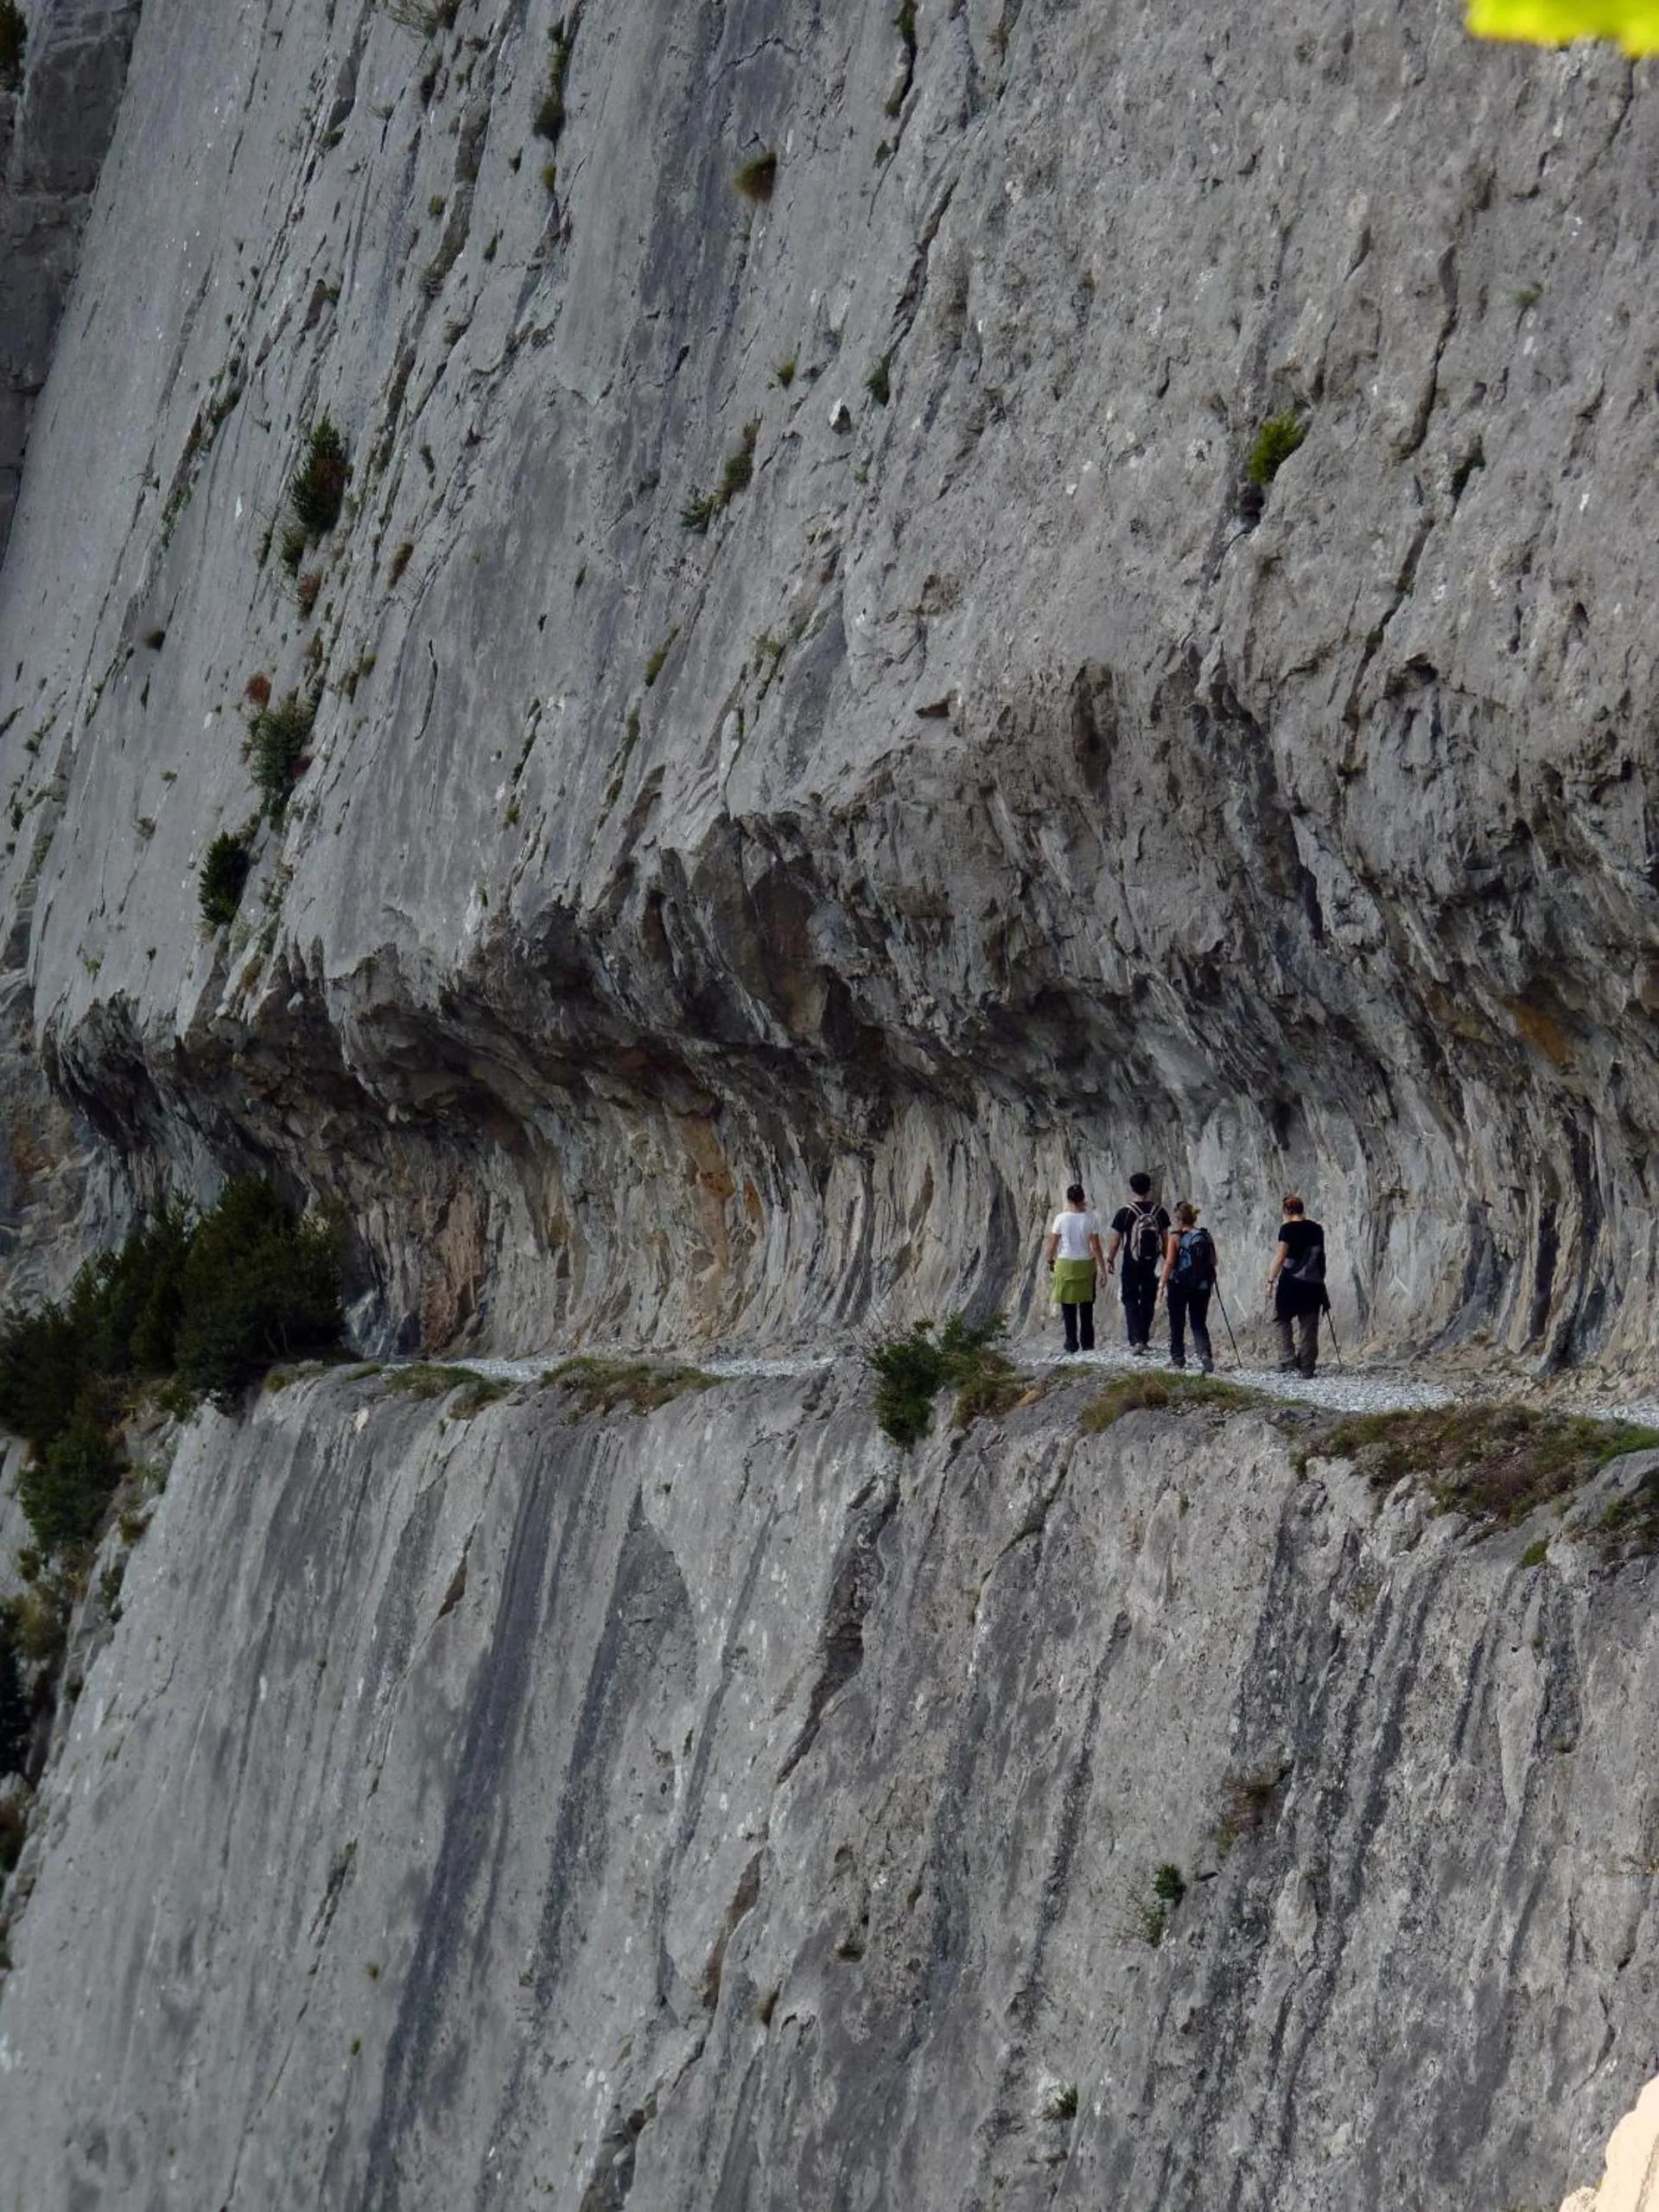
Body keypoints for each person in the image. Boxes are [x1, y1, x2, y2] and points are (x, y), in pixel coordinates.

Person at [1106, 1172, 1169, 1354]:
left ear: (1132, 1189)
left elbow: (1116, 1240)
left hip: (1131, 1261)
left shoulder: (1125, 1213)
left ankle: (1136, 1340)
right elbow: (1165, 1240)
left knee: (1130, 1298)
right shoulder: (1159, 1212)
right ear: (1149, 1189)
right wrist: (1168, 1261)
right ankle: (1144, 1337)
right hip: (1152, 1263)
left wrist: (1110, 1259)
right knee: (1148, 1299)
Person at [1267, 1194, 1326, 1376]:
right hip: (1313, 1283)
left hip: (1291, 1283)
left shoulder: (1287, 1229)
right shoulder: (1317, 1229)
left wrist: (1270, 1280)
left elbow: (1280, 1256)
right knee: (1309, 1324)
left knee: (1281, 1318)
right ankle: (1307, 1366)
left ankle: (1287, 1358)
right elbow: (1320, 1256)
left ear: (1286, 1211)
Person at [1046, 1184, 1106, 1354]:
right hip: (1086, 1264)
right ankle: (1087, 1344)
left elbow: (1053, 1243)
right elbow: (1096, 1246)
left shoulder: (1060, 1218)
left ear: (1068, 1199)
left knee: (1068, 1306)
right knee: (1086, 1306)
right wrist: (1102, 1268)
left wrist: (1050, 1260)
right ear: (1083, 1198)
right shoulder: (1090, 1218)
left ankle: (1071, 1343)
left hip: (1065, 1264)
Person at [1160, 1201, 1217, 1371]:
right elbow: (1214, 1261)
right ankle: (1205, 1354)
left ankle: (1178, 1358)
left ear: (1179, 1219)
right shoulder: (1205, 1236)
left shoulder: (1175, 1237)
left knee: (1177, 1322)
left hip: (1178, 1285)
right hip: (1202, 1285)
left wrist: (1161, 1284)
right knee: (1198, 1322)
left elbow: (1170, 1262)